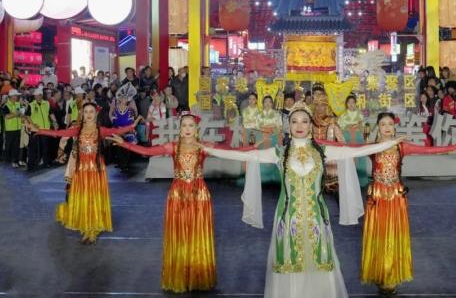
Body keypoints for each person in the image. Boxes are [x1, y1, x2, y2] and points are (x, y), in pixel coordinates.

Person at [202, 101, 402, 298]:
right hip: (288, 218)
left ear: (310, 125)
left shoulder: (322, 151)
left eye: (304, 121)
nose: (299, 126)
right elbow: (245, 156)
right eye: (295, 121)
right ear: (288, 126)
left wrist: (389, 143)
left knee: (319, 259)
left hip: (316, 219)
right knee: (289, 261)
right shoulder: (279, 153)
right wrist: (210, 150)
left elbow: (355, 151)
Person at [323, 112, 456, 296]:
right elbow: (347, 148)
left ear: (394, 127)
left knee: (394, 234)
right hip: (378, 198)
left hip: (396, 198)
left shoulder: (401, 146)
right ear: (378, 127)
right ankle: (381, 274)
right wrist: (317, 141)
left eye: (390, 124)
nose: (387, 127)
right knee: (380, 235)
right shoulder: (373, 147)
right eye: (383, 124)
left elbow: (427, 150)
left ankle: (392, 276)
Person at [108, 113, 245, 292]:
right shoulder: (173, 146)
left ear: (196, 129)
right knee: (179, 234)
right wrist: (124, 144)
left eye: (191, 125)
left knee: (197, 234)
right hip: (178, 195)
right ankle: (180, 274)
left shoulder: (203, 146)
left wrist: (252, 148)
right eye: (184, 125)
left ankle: (197, 276)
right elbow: (147, 151)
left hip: (199, 195)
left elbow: (230, 152)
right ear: (180, 129)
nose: (187, 129)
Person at [27, 103, 140, 244]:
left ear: (96, 114)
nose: (88, 114)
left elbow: (117, 131)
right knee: (83, 198)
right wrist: (39, 130)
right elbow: (59, 133)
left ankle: (92, 230)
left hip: (96, 169)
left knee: (93, 199)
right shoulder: (78, 130)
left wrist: (132, 125)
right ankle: (86, 226)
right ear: (82, 114)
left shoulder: (101, 130)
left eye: (91, 111)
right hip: (81, 169)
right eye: (86, 111)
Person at [337, 94, 368, 186]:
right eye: (349, 102)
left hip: (358, 137)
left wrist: (359, 126)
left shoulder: (360, 115)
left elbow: (363, 127)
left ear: (355, 104)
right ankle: (347, 181)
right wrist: (348, 127)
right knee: (347, 158)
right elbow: (340, 128)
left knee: (360, 157)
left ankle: (361, 181)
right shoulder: (342, 116)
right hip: (347, 138)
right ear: (346, 104)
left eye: (353, 102)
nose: (351, 104)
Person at [28, 88, 56, 171]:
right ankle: (32, 164)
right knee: (34, 148)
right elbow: (27, 116)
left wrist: (55, 122)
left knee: (45, 147)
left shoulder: (46, 103)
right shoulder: (31, 105)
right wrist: (33, 124)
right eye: (36, 95)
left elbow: (51, 113)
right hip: (35, 130)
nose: (37, 97)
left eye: (39, 95)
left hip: (45, 129)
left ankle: (46, 162)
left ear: (41, 95)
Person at [2, 89, 25, 168]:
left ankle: (15, 161)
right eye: (15, 96)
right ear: (10, 96)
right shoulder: (6, 105)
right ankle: (6, 162)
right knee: (8, 147)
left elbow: (21, 114)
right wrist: (16, 114)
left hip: (18, 128)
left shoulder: (18, 104)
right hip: (9, 129)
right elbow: (6, 116)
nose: (16, 97)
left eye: (17, 96)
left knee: (16, 146)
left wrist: (21, 115)